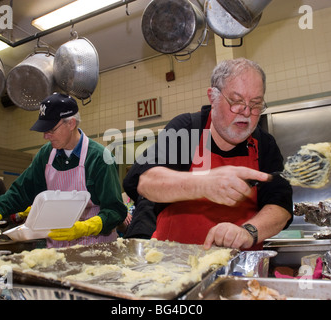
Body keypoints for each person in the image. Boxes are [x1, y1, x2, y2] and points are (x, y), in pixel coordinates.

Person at [123, 58, 293, 250]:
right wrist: (203, 184)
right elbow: (146, 183)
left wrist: (249, 231)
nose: (246, 112)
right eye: (236, 101)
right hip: (176, 266)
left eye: (255, 104)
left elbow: (281, 205)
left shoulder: (264, 144)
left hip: (238, 269)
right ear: (213, 97)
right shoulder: (186, 130)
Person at [0, 92, 127, 248]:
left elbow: (115, 211)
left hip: (95, 246)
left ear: (71, 124)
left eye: (51, 130)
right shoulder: (46, 154)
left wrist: (84, 228)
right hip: (56, 247)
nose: (45, 136)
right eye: (44, 131)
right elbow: (21, 192)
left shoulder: (99, 157)